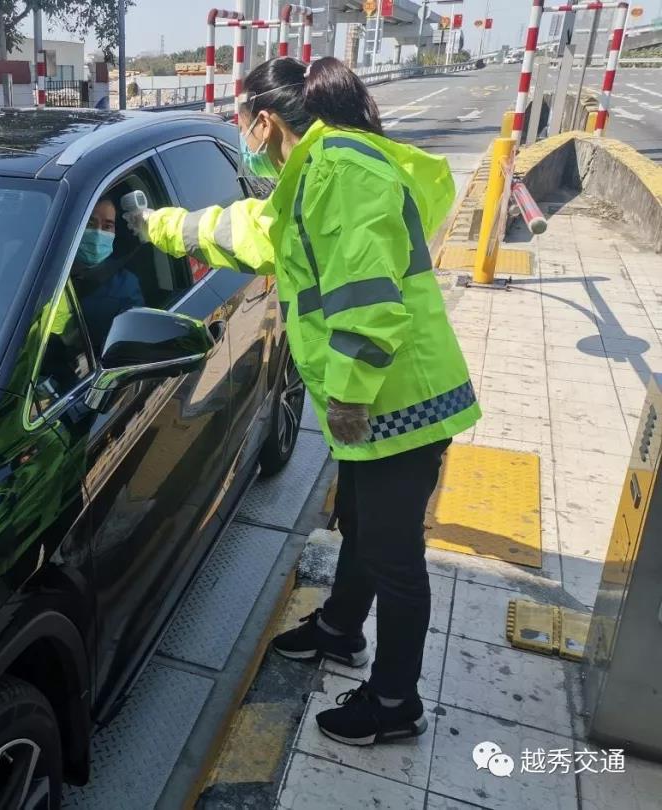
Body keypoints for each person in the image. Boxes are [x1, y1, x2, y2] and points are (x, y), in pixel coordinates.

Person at [125, 56, 480, 746]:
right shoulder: (312, 175)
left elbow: (368, 303)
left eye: (240, 121)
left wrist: (346, 400)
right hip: (378, 401)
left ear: (264, 122)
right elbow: (241, 231)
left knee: (395, 558)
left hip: (399, 403)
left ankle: (395, 702)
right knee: (361, 523)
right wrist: (152, 225)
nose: (240, 136)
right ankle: (341, 629)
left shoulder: (342, 173)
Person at [72, 197, 144, 351]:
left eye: (107, 226)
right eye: (90, 224)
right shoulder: (47, 270)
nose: (98, 233)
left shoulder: (126, 286)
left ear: (115, 231)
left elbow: (130, 343)